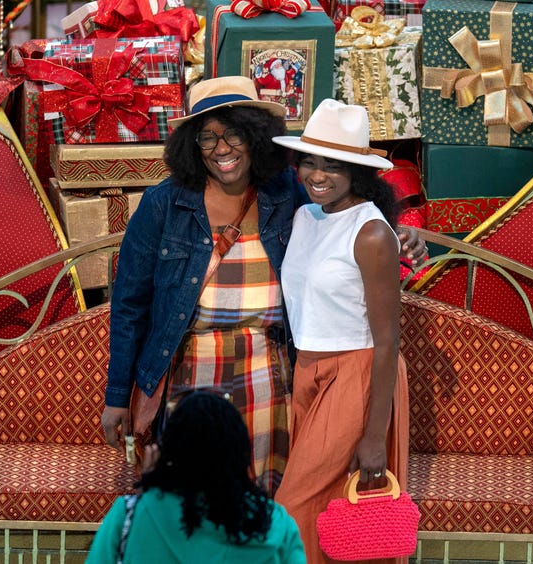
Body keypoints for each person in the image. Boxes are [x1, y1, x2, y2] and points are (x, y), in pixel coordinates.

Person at [101, 76, 425, 496]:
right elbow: (128, 304)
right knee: (192, 503)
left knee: (261, 502)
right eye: (207, 137)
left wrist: (399, 232)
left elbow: (346, 215)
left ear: (257, 136)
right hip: (189, 373)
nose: (222, 149)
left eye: (234, 133)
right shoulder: (164, 204)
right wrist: (117, 394)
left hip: (269, 375)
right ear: (190, 146)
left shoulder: (284, 192)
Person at [272, 99, 410, 564]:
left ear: (359, 172)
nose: (317, 175)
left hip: (356, 372)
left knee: (292, 508)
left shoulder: (371, 233)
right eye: (308, 162)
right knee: (322, 509)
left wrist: (376, 435)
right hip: (307, 369)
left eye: (333, 165)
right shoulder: (305, 216)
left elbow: (388, 340)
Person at [87, 390, 306, 563]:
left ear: (168, 453)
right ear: (241, 454)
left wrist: (150, 491)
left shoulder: (128, 516)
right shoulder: (276, 523)